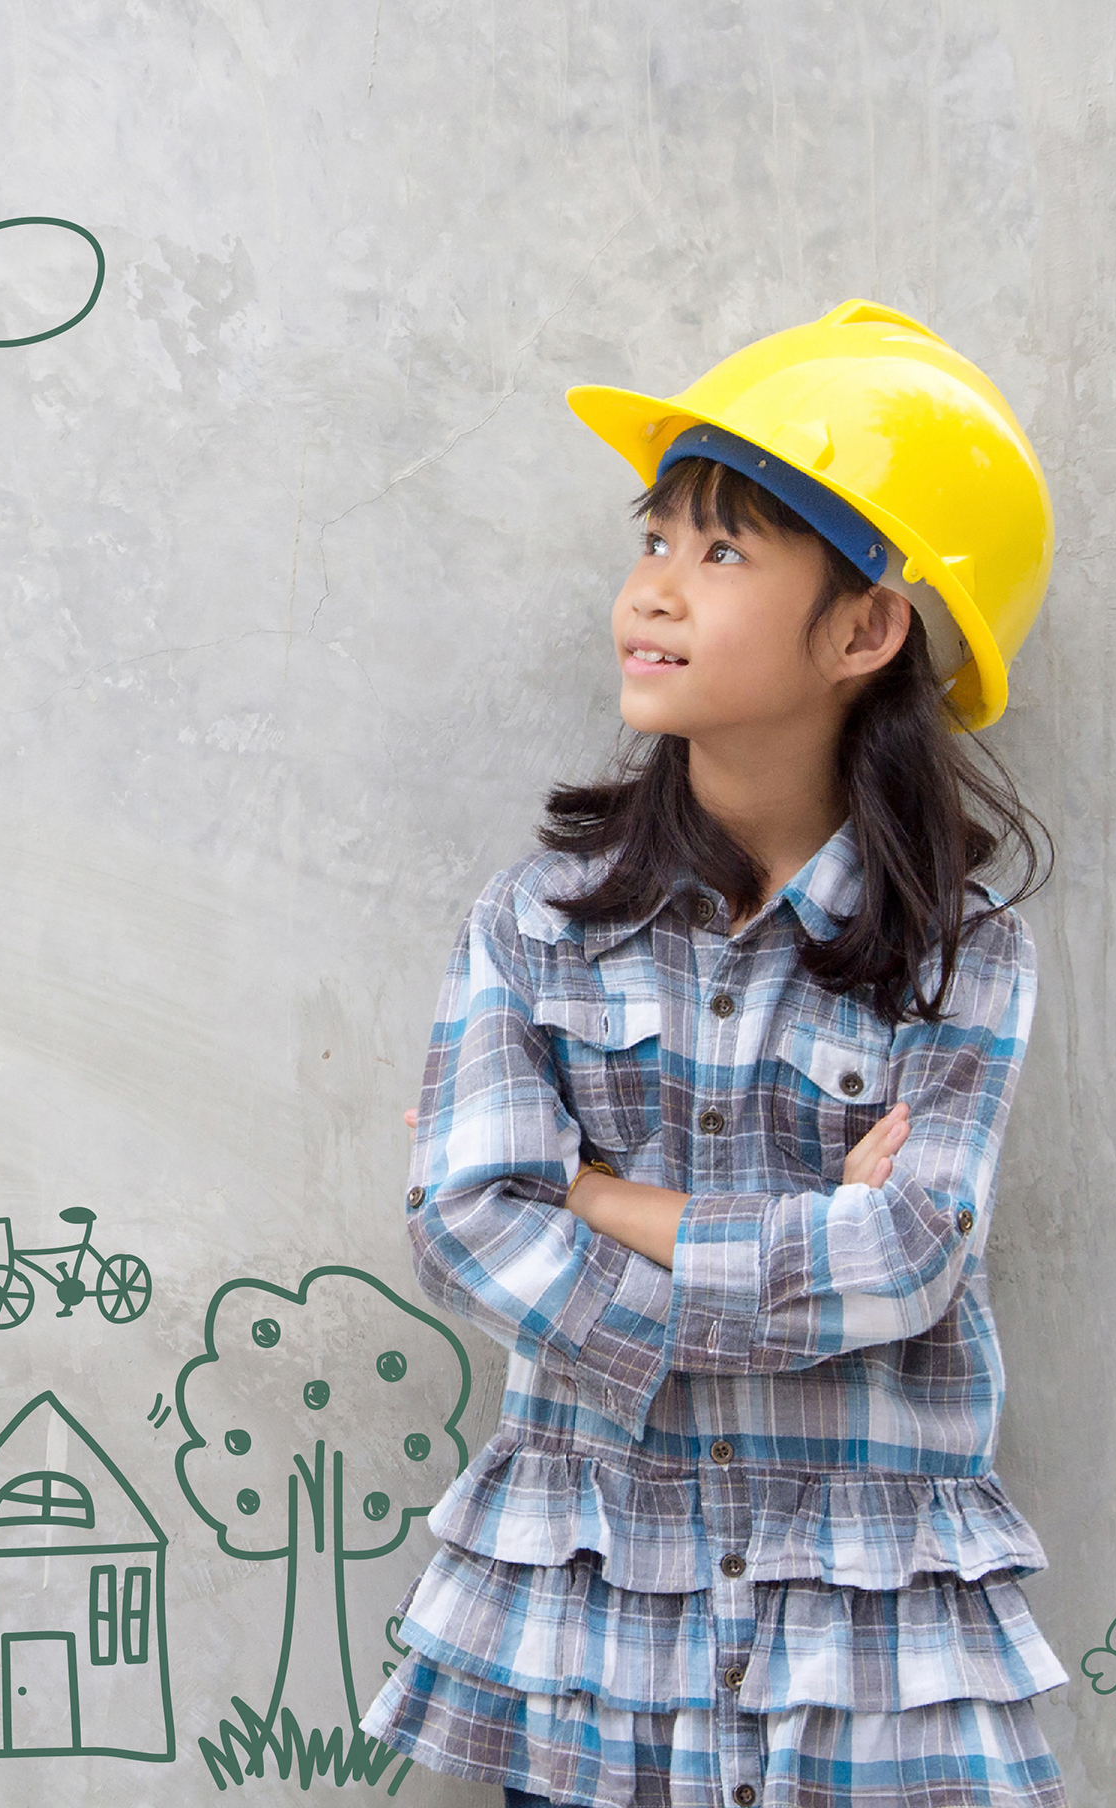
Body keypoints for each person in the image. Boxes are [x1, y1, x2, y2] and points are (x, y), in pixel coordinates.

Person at [361, 302, 1069, 1808]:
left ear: (865, 627)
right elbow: (465, 1219)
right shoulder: (537, 924)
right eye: (655, 541)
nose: (653, 593)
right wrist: (795, 1269)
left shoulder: (963, 947)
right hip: (598, 1626)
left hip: (871, 1647)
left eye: (723, 552)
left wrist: (611, 1204)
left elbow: (905, 1262)